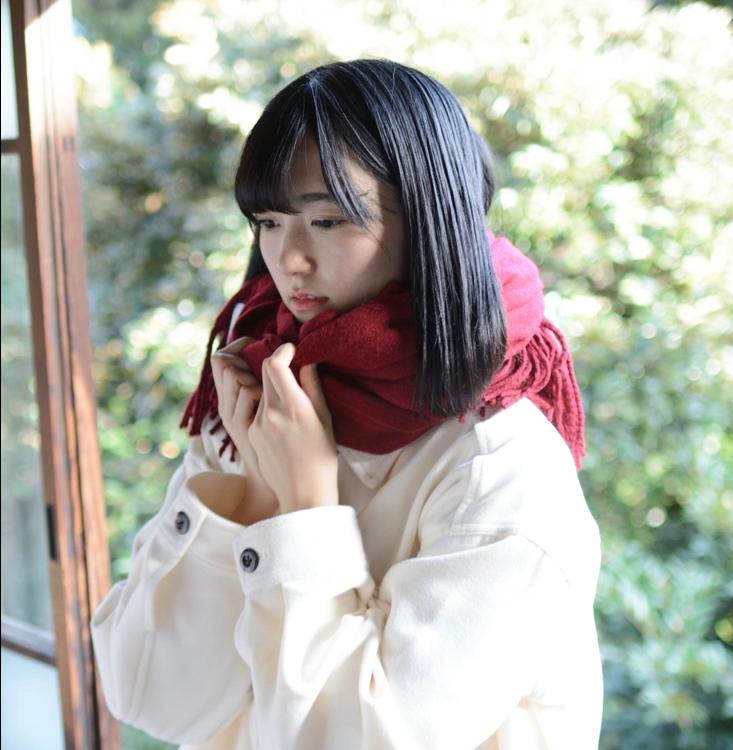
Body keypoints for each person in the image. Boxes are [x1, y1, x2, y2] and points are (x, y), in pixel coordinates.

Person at [90, 59, 602, 750]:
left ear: (429, 217)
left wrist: (303, 508)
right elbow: (149, 693)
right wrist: (252, 489)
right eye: (269, 221)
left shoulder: (500, 465)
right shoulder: (263, 389)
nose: (288, 258)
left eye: (328, 220)